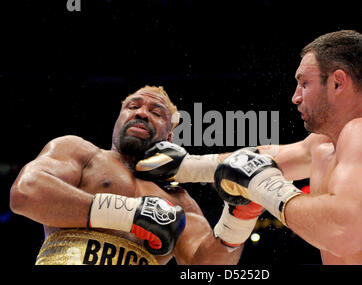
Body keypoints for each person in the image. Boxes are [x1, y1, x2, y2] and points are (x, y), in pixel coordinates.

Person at [140, 30, 362, 264]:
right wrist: (185, 166)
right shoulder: (324, 145)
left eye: (304, 83)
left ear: (338, 83)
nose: (295, 97)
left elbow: (342, 232)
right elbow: (257, 161)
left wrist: (268, 188)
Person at [9, 85, 264, 265]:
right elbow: (26, 192)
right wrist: (130, 214)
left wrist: (239, 217)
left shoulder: (179, 201)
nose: (142, 113)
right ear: (119, 119)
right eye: (133, 106)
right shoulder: (79, 152)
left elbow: (208, 266)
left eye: (156, 112)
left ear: (169, 136)